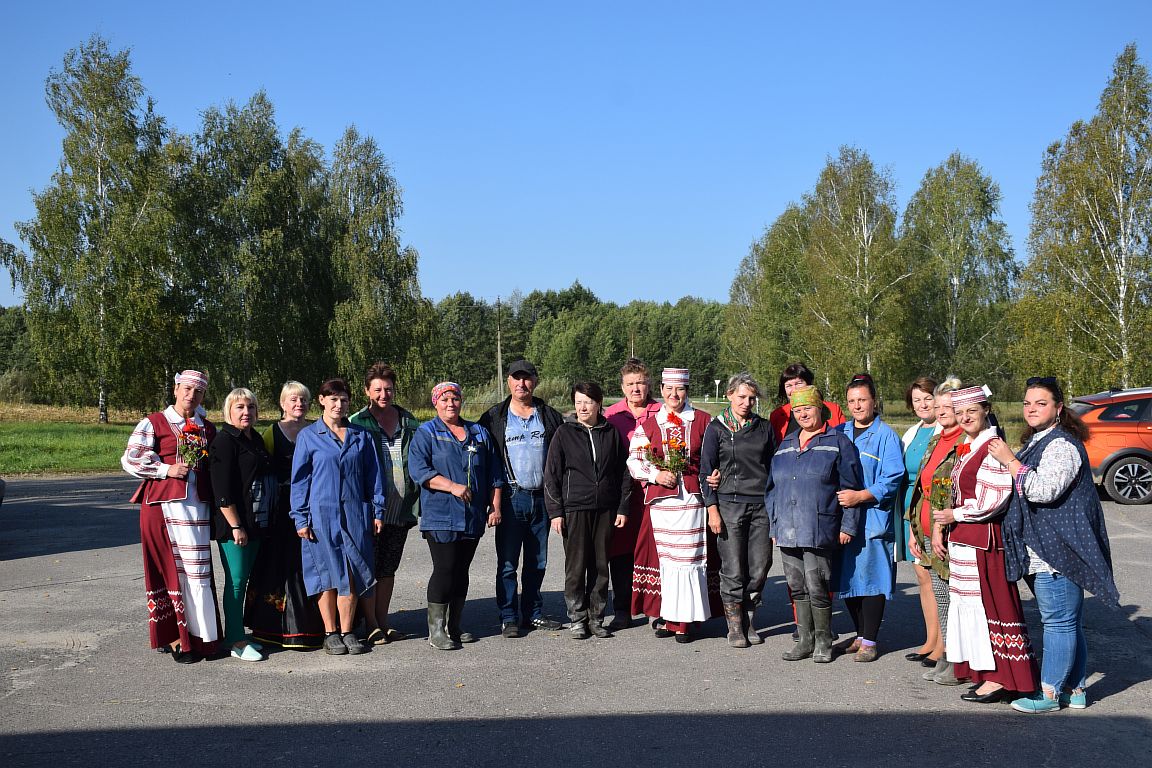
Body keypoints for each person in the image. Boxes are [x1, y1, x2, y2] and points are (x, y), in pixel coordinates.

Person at [989, 377, 1120, 714]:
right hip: (1044, 548)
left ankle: (1048, 695)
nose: (1031, 408)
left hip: (1057, 552)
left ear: (1058, 409)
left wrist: (1009, 460)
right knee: (1067, 622)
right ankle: (1075, 691)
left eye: (1041, 403)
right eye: (1027, 403)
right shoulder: (1040, 440)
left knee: (1058, 623)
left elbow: (1042, 491)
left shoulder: (1061, 445)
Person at [934, 385, 1039, 703]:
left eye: (972, 411)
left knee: (989, 608)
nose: (965, 417)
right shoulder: (970, 445)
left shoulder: (991, 446)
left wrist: (955, 513)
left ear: (985, 410)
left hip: (984, 542)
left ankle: (1002, 678)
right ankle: (983, 672)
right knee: (970, 607)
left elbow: (992, 500)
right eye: (960, 412)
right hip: (966, 539)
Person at [121, 369, 221, 663]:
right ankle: (177, 638)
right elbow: (130, 458)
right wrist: (166, 470)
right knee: (171, 570)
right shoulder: (155, 422)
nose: (191, 396)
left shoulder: (207, 428)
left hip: (197, 508)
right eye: (187, 389)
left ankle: (204, 638)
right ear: (176, 389)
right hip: (163, 508)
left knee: (198, 572)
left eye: (198, 392)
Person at [767, 384, 864, 664]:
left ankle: (824, 640)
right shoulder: (785, 445)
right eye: (797, 410)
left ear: (820, 407)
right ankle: (805, 639)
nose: (803, 414)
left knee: (817, 584)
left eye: (808, 408)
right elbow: (771, 489)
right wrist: (775, 525)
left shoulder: (838, 442)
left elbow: (851, 486)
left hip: (819, 527)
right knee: (796, 586)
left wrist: (848, 526)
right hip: (787, 528)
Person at [290, 377, 386, 657]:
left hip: (356, 514)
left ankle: (348, 631)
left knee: (354, 574)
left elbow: (374, 478)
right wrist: (300, 518)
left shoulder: (361, 436)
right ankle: (330, 633)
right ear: (321, 400)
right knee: (326, 575)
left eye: (343, 400)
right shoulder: (309, 436)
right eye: (333, 399)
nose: (338, 405)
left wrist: (377, 510)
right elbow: (300, 481)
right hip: (321, 515)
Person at [410, 382, 503, 649]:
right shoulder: (426, 433)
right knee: (445, 569)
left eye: (455, 399)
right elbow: (419, 471)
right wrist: (452, 486)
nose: (450, 404)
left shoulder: (479, 433)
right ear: (435, 403)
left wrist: (495, 506)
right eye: (445, 399)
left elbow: (494, 473)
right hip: (440, 515)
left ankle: (455, 625)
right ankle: (436, 631)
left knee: (462, 571)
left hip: (472, 516)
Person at [479, 359, 564, 638]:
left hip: (542, 497)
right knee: (507, 563)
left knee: (537, 562)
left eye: (527, 378)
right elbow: (485, 461)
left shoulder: (549, 416)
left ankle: (533, 613)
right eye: (516, 378)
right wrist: (490, 501)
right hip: (511, 498)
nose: (521, 384)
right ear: (508, 382)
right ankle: (508, 616)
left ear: (535, 381)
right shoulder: (494, 417)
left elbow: (560, 459)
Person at [626, 367, 712, 643]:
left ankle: (684, 622)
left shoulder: (702, 420)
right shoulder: (651, 423)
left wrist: (715, 475)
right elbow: (635, 460)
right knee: (666, 562)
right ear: (661, 390)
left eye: (681, 389)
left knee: (688, 560)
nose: (675, 395)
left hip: (691, 502)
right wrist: (656, 474)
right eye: (670, 389)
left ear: (687, 390)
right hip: (663, 505)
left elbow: (716, 456)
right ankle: (669, 617)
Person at [544, 381, 632, 639]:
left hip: (605, 508)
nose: (583, 407)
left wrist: (622, 507)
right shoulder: (564, 432)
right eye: (579, 401)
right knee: (576, 567)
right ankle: (577, 618)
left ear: (598, 404)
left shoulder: (610, 432)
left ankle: (596, 618)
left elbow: (623, 473)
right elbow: (552, 475)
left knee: (600, 566)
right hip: (575, 509)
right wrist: (555, 512)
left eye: (588, 402)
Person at [246, 381, 326, 650]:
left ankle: (314, 626)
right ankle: (273, 628)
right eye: (293, 400)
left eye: (303, 400)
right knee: (278, 565)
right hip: (280, 509)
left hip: (313, 506)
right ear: (282, 403)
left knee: (310, 563)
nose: (299, 404)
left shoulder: (318, 430)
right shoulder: (271, 433)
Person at [699, 372, 775, 648]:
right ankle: (734, 627)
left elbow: (773, 468)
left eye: (752, 398)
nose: (746, 402)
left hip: (761, 506)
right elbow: (706, 470)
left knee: (760, 566)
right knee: (733, 568)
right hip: (729, 505)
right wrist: (712, 509)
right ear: (729, 395)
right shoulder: (717, 428)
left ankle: (750, 621)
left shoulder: (764, 428)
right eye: (741, 396)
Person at [349, 362, 421, 646]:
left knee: (388, 568)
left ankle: (384, 620)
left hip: (401, 509)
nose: (383, 394)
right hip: (370, 510)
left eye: (388, 389)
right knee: (368, 566)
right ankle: (371, 624)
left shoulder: (408, 420)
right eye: (377, 389)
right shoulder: (356, 423)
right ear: (367, 391)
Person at [833, 373, 903, 661]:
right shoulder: (839, 431)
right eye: (851, 401)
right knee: (848, 578)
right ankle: (860, 634)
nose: (857, 406)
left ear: (874, 401)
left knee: (873, 578)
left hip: (872, 517)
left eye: (862, 400)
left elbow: (892, 477)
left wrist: (861, 496)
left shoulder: (886, 436)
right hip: (841, 519)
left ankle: (871, 640)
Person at [208, 387, 276, 662]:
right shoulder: (224, 441)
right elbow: (221, 491)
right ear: (228, 412)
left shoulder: (255, 439)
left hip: (256, 522)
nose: (246, 412)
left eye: (250, 407)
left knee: (246, 580)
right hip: (234, 526)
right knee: (236, 582)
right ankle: (234, 640)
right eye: (240, 408)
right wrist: (236, 526)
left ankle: (239, 632)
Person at [906, 378, 966, 685]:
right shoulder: (936, 438)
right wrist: (915, 529)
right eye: (938, 406)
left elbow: (956, 491)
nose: (941, 411)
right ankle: (947, 653)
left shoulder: (963, 442)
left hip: (951, 531)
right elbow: (922, 487)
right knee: (941, 595)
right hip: (927, 527)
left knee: (956, 596)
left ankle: (958, 656)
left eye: (947, 406)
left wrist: (942, 527)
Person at [603, 358, 662, 630]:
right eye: (630, 384)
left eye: (640, 382)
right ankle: (623, 608)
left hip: (657, 492)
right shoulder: (611, 416)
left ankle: (658, 608)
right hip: (623, 496)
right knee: (621, 553)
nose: (636, 388)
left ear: (649, 383)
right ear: (622, 386)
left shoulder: (662, 412)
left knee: (657, 552)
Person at [898, 377, 942, 665]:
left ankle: (944, 644)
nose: (922, 405)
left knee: (937, 579)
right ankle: (930, 639)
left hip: (931, 511)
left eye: (927, 398)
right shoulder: (912, 433)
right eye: (917, 400)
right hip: (910, 512)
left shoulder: (946, 431)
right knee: (922, 577)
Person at [768, 362, 846, 444]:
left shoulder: (833, 410)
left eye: (798, 383)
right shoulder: (777, 415)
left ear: (808, 384)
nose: (794, 390)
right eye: (789, 386)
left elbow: (843, 441)